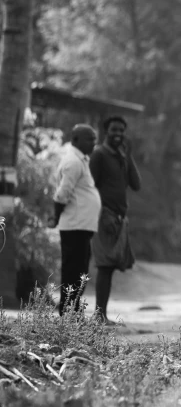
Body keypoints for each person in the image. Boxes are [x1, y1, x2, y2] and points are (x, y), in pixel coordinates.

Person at [89, 115, 141, 324]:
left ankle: (102, 315)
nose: (118, 134)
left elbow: (136, 185)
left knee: (110, 267)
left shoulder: (121, 156)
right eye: (114, 130)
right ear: (106, 132)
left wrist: (128, 156)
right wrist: (102, 213)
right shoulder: (99, 155)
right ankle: (99, 315)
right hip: (104, 216)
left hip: (119, 218)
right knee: (104, 265)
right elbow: (90, 186)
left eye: (121, 130)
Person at [51, 124, 102, 315]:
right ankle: (67, 309)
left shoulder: (81, 160)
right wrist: (56, 216)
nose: (93, 144)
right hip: (74, 225)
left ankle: (73, 306)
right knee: (73, 269)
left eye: (95, 140)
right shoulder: (72, 161)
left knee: (80, 269)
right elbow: (63, 193)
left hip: (81, 225)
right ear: (75, 140)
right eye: (90, 139)